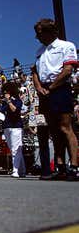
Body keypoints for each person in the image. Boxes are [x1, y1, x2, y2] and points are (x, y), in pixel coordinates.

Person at [31, 18, 78, 181]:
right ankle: (60, 165)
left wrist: (51, 88)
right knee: (54, 130)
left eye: (39, 33)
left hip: (59, 88)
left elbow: (67, 70)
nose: (37, 37)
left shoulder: (66, 46)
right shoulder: (39, 51)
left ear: (50, 31)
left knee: (66, 127)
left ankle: (74, 165)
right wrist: (38, 87)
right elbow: (35, 72)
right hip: (44, 90)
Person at [0, 82, 26, 178]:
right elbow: (2, 111)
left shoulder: (17, 100)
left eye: (6, 91)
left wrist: (9, 101)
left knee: (16, 149)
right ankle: (22, 170)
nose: (5, 92)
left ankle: (15, 170)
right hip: (6, 126)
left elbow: (15, 109)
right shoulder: (4, 101)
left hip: (16, 126)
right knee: (13, 150)